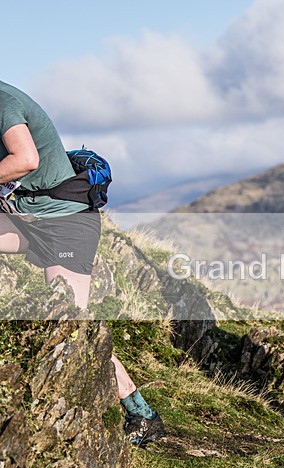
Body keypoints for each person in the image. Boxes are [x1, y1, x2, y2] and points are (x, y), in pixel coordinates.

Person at [0, 80, 164, 445]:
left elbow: (26, 160)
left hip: (67, 226)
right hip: (27, 217)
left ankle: (142, 414)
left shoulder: (3, 102)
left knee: (73, 328)